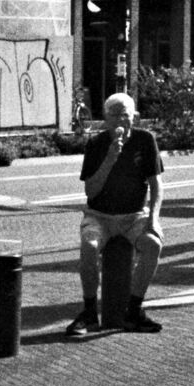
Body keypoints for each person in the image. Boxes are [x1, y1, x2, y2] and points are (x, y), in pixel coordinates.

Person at [66, 91, 164, 336]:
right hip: (99, 215)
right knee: (89, 247)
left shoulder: (145, 140)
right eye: (115, 116)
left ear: (134, 118)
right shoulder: (97, 145)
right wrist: (111, 158)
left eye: (126, 115)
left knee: (153, 245)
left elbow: (156, 185)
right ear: (106, 120)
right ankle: (89, 311)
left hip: (134, 216)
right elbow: (91, 190)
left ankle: (134, 309)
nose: (121, 121)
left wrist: (153, 218)